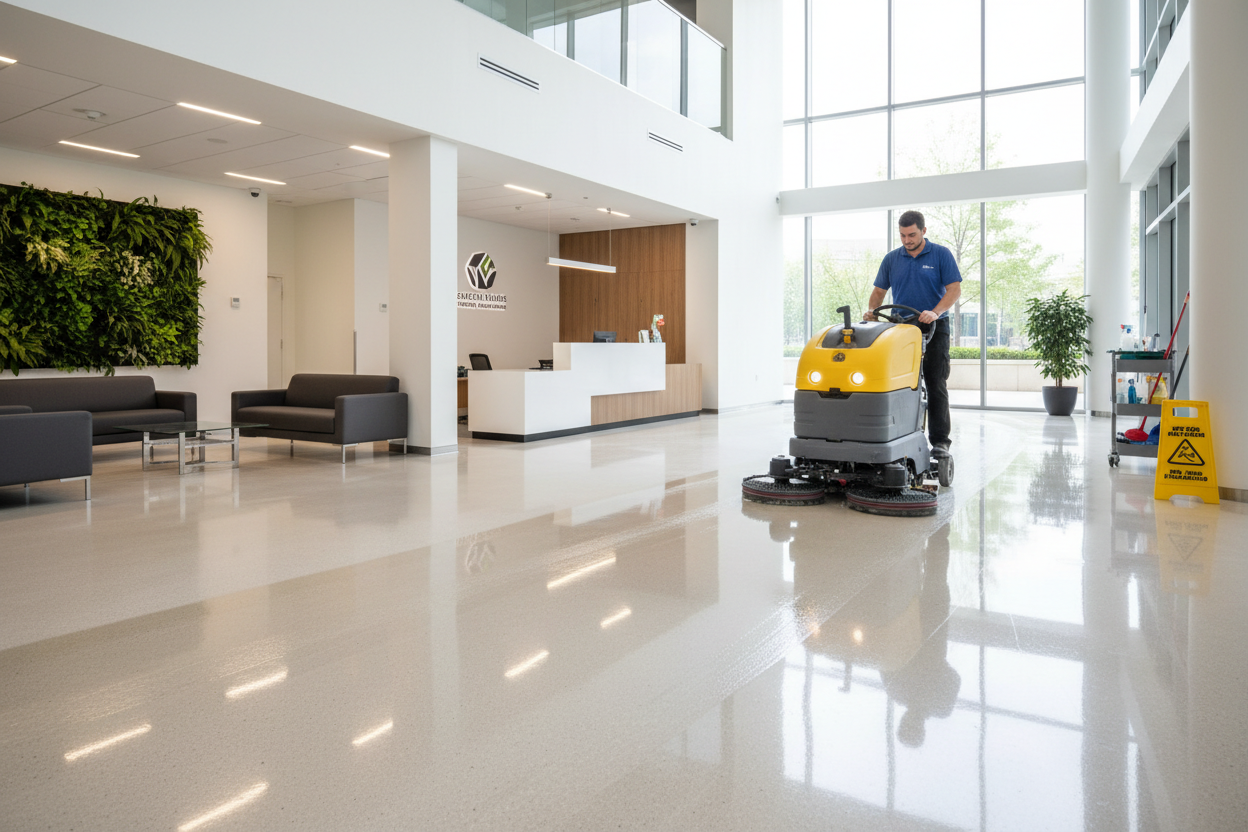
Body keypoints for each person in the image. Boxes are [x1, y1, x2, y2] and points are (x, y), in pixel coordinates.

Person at [865, 210, 961, 455]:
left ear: (923, 231)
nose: (907, 240)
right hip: (901, 329)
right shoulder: (892, 259)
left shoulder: (941, 254)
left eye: (912, 235)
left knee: (935, 381)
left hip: (934, 328)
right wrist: (872, 311)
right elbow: (878, 292)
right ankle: (899, 433)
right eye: (902, 235)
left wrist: (935, 312)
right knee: (899, 383)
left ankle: (940, 442)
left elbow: (954, 290)